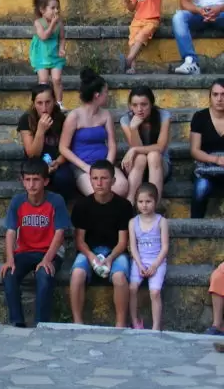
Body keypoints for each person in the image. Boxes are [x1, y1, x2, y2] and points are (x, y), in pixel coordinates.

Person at [1, 157, 70, 327]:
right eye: (28, 180)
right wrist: (9, 259)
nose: (31, 185)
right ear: (22, 181)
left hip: (50, 252)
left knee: (44, 274)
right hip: (25, 251)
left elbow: (60, 233)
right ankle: (17, 322)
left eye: (36, 180)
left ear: (45, 181)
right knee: (9, 274)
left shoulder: (56, 201)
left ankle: (41, 324)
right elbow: (10, 231)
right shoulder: (17, 201)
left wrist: (47, 259)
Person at [70, 159, 134, 327]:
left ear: (113, 181)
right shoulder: (82, 205)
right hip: (89, 250)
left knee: (119, 277)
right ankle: (77, 322)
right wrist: (91, 256)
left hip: (116, 251)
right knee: (77, 274)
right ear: (90, 180)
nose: (99, 183)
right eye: (95, 178)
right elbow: (79, 241)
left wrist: (110, 258)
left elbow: (123, 242)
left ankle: (120, 324)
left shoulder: (124, 206)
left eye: (104, 178)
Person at [60, 69, 129, 196]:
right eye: (106, 92)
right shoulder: (74, 116)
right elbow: (63, 148)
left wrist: (108, 164)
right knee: (98, 192)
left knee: (122, 186)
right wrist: (86, 167)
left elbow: (112, 144)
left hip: (103, 163)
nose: (107, 95)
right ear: (97, 95)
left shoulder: (106, 115)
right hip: (82, 166)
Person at [18, 84, 73, 196]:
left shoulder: (61, 119)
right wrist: (40, 131)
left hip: (57, 162)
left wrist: (57, 162)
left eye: (48, 102)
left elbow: (67, 148)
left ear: (54, 101)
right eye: (39, 103)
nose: (44, 108)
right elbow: (32, 154)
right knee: (36, 178)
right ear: (34, 104)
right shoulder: (26, 119)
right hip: (34, 163)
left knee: (64, 178)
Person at [128, 183, 168, 330]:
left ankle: (156, 326)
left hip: (157, 261)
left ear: (155, 202)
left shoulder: (161, 221)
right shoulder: (133, 222)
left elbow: (165, 247)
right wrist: (139, 264)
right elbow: (133, 247)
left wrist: (154, 266)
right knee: (132, 288)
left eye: (148, 201)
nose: (144, 205)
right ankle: (135, 321)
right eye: (140, 201)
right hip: (139, 261)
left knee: (155, 292)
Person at [122, 0, 162, 73]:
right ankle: (131, 67)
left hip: (151, 20)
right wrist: (126, 0)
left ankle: (128, 60)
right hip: (137, 20)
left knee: (141, 36)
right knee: (132, 41)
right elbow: (131, 8)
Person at [191, 79, 224, 218]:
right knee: (201, 188)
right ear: (210, 96)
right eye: (215, 94)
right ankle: (195, 225)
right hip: (206, 168)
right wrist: (216, 159)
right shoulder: (200, 117)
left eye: (223, 94)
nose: (219, 99)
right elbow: (194, 150)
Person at [29, 0, 66, 104]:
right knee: (43, 81)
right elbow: (44, 36)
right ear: (42, 10)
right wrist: (52, 24)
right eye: (52, 8)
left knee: (57, 79)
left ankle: (59, 103)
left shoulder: (60, 23)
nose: (56, 11)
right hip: (41, 56)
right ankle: (43, 103)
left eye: (58, 8)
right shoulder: (38, 23)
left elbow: (62, 38)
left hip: (55, 55)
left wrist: (62, 48)